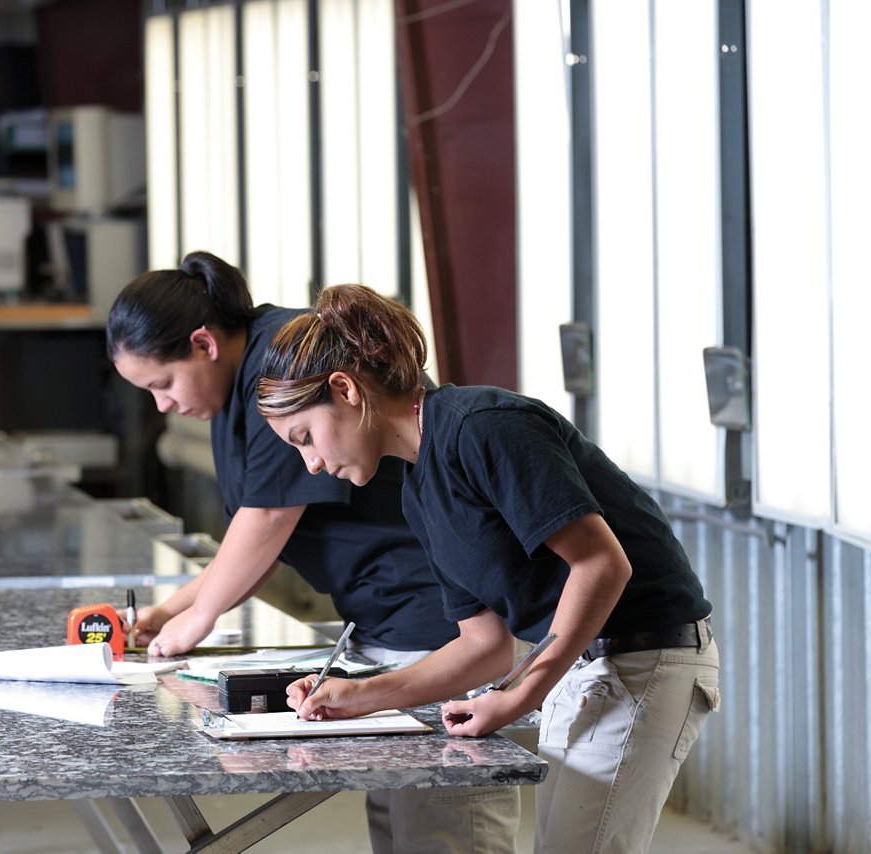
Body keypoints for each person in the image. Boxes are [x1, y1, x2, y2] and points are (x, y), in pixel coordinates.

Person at [255, 283, 720, 853]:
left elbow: (602, 565)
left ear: (346, 389)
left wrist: (519, 694)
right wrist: (360, 695)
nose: (312, 463)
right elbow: (484, 646)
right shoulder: (416, 491)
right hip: (583, 666)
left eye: (305, 437)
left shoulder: (483, 426)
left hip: (643, 657)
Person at [105, 252, 520, 853]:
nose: (162, 405)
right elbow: (251, 534)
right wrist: (168, 613)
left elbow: (271, 517)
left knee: (445, 826)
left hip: (444, 621)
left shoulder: (284, 364)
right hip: (385, 620)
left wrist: (195, 620)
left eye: (162, 384)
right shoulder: (237, 392)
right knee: (402, 820)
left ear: (203, 344)